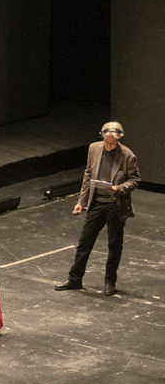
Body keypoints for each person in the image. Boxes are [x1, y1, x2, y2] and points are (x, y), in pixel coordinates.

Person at [56, 122, 141, 296]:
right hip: (96, 203)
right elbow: (88, 174)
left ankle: (110, 281)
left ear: (119, 139)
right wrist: (82, 201)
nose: (108, 146)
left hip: (114, 204)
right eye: (106, 142)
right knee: (84, 243)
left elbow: (134, 180)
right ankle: (75, 279)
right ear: (102, 136)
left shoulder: (128, 155)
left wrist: (118, 188)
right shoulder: (94, 148)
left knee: (114, 245)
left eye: (112, 143)